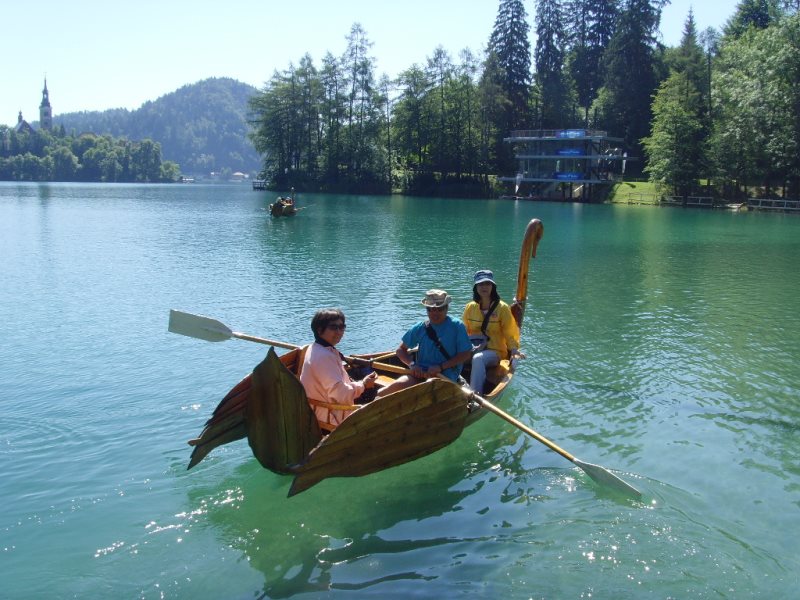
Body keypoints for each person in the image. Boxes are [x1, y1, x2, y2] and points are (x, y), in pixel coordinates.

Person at [378, 289, 473, 396]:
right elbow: (400, 350)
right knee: (388, 390)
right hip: (421, 374)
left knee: (428, 387)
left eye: (439, 309)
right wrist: (413, 365)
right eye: (430, 309)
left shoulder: (457, 326)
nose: (434, 313)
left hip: (445, 376)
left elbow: (465, 354)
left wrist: (440, 367)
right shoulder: (420, 328)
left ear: (446, 308)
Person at [299, 308, 378, 431]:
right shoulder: (323, 356)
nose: (339, 332)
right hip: (330, 416)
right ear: (319, 330)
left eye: (342, 327)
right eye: (333, 327)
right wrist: (363, 385)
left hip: (320, 408)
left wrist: (358, 385)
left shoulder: (317, 348)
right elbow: (339, 394)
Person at [461, 270, 523, 393]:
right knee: (453, 356)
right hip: (475, 347)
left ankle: (475, 394)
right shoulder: (470, 307)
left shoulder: (502, 308)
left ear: (492, 286)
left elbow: (510, 332)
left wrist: (514, 350)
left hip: (495, 351)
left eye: (487, 284)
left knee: (478, 358)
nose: (484, 287)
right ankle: (454, 388)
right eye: (480, 284)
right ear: (476, 287)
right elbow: (463, 332)